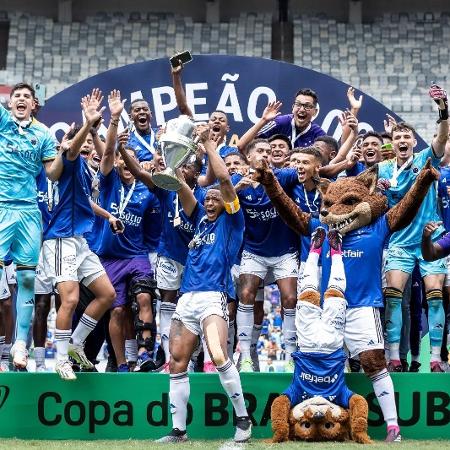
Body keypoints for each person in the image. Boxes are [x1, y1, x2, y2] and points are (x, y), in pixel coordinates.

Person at [156, 124, 251, 443]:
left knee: (219, 356)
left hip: (214, 297)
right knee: (177, 362)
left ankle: (243, 421)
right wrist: (175, 154)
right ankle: (178, 431)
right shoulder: (198, 219)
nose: (209, 202)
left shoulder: (232, 220)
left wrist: (209, 144)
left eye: (215, 199)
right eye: (206, 198)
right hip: (186, 299)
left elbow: (224, 180)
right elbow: (180, 183)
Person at [42, 91, 116, 380]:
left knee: (107, 294)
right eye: (83, 148)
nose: (86, 152)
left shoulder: (88, 170)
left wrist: (108, 215)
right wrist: (87, 125)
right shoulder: (71, 160)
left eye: (89, 149)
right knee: (70, 300)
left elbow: (87, 201)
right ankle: (60, 360)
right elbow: (71, 150)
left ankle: (74, 344)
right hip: (60, 239)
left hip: (80, 242)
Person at [380, 84, 449, 372]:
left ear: (412, 141)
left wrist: (443, 109)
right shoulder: (383, 169)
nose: (403, 140)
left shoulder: (424, 159)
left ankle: (435, 359)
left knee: (435, 296)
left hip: (431, 237)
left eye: (407, 136)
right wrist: (380, 192)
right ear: (392, 144)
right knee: (394, 298)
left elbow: (443, 136)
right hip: (399, 242)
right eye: (398, 137)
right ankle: (394, 357)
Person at [0, 82, 64, 369]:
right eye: (17, 96)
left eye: (27, 96)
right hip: (1, 207)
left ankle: (20, 345)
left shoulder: (43, 134)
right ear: (10, 103)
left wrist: (63, 152)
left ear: (34, 104)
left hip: (27, 212)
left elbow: (52, 172)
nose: (22, 99)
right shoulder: (3, 122)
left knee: (27, 280)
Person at [98, 90, 160, 373]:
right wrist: (113, 119)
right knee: (118, 311)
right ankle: (122, 362)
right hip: (110, 258)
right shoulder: (110, 183)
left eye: (131, 161)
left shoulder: (147, 192)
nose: (125, 165)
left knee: (145, 297)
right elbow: (108, 155)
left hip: (137, 255)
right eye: (123, 160)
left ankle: (147, 353)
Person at [235, 139, 300, 372]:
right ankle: (245, 357)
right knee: (245, 294)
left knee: (291, 299)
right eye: (260, 151)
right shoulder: (238, 182)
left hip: (285, 251)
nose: (266, 155)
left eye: (269, 152)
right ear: (249, 158)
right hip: (254, 251)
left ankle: (292, 356)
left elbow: (317, 168)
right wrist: (236, 190)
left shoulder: (282, 176)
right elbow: (218, 206)